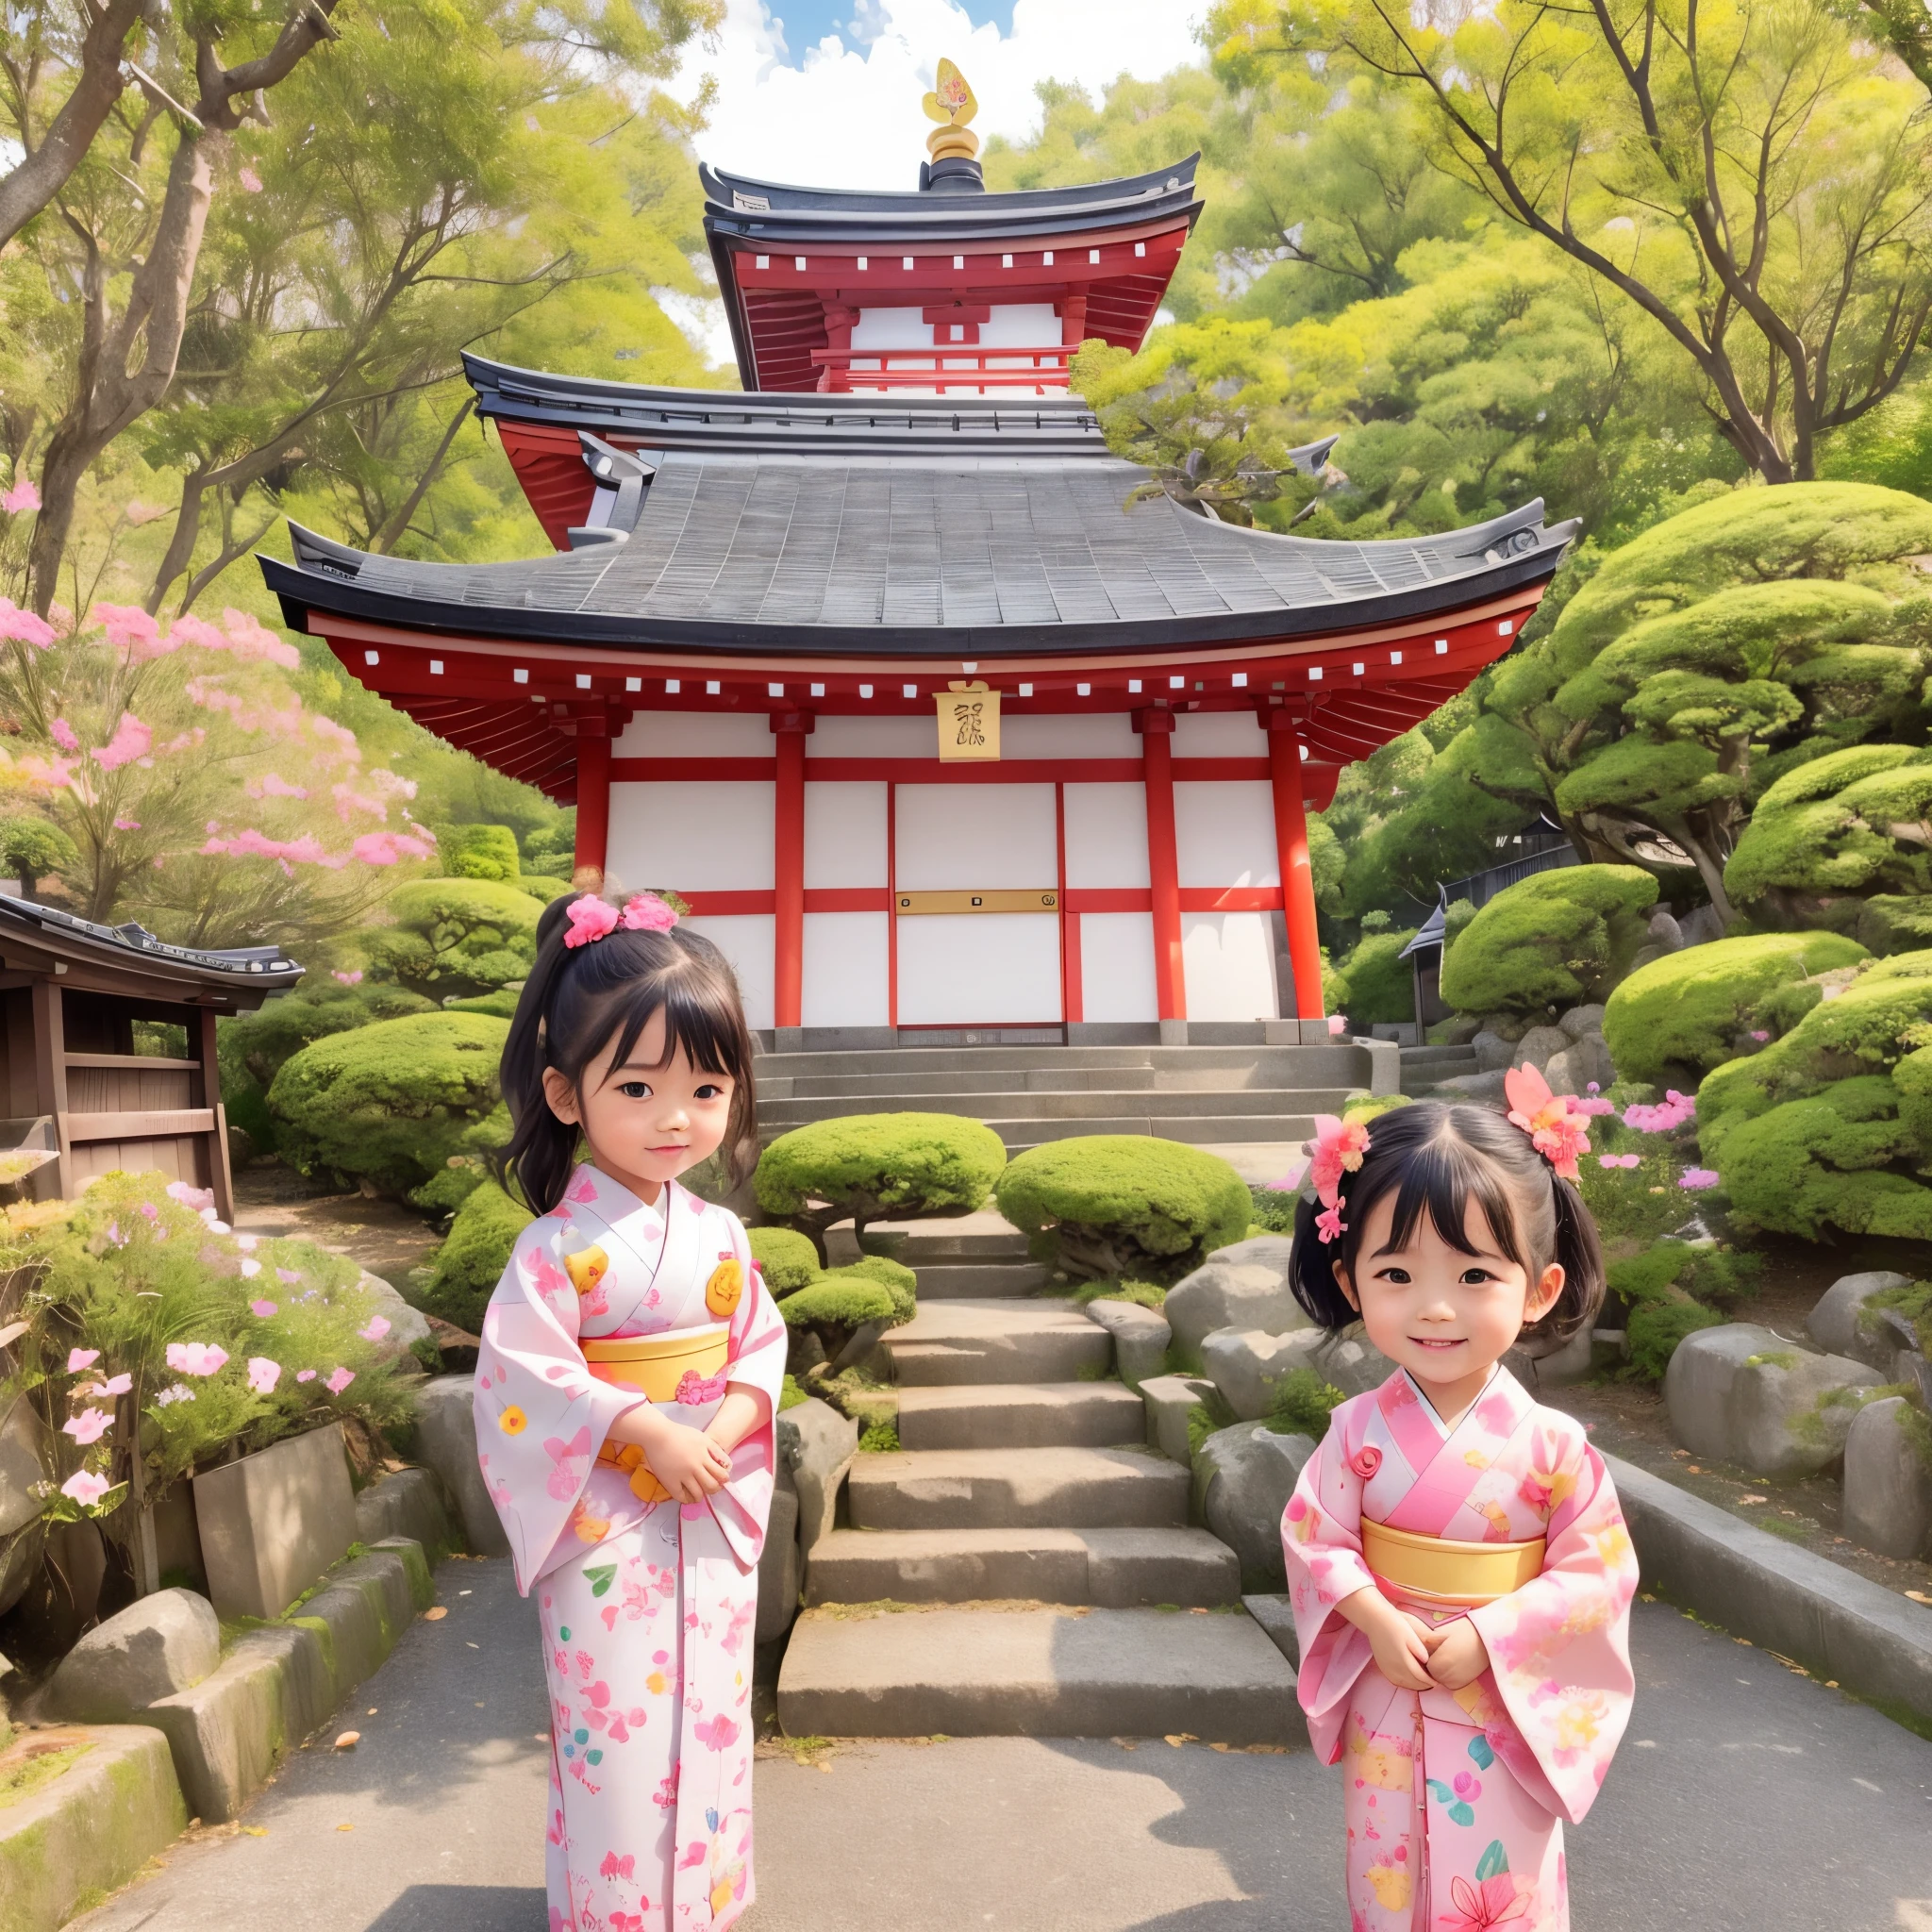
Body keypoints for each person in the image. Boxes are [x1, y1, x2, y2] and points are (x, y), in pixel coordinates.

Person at [473, 890, 786, 1932]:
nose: (676, 1116)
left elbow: (760, 1350)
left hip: (702, 1505)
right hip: (606, 1521)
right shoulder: (554, 1250)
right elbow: (525, 1375)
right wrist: (647, 1428)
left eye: (705, 1086)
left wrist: (723, 1430)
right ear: (565, 1093)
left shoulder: (720, 1236)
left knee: (710, 1711)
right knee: (615, 1729)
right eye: (639, 1084)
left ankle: (701, 1897)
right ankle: (613, 1912)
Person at [1280, 1070, 1638, 1932]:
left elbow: (1596, 1576)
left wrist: (1491, 1633)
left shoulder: (1554, 1448)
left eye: (1477, 1274)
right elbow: (1314, 1538)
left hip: (1500, 1697)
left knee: (1498, 1886)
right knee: (1387, 1869)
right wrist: (1370, 1615)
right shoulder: (1357, 1431)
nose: (1435, 1308)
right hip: (1389, 1686)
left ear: (1540, 1288)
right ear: (1352, 1279)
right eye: (1397, 1272)